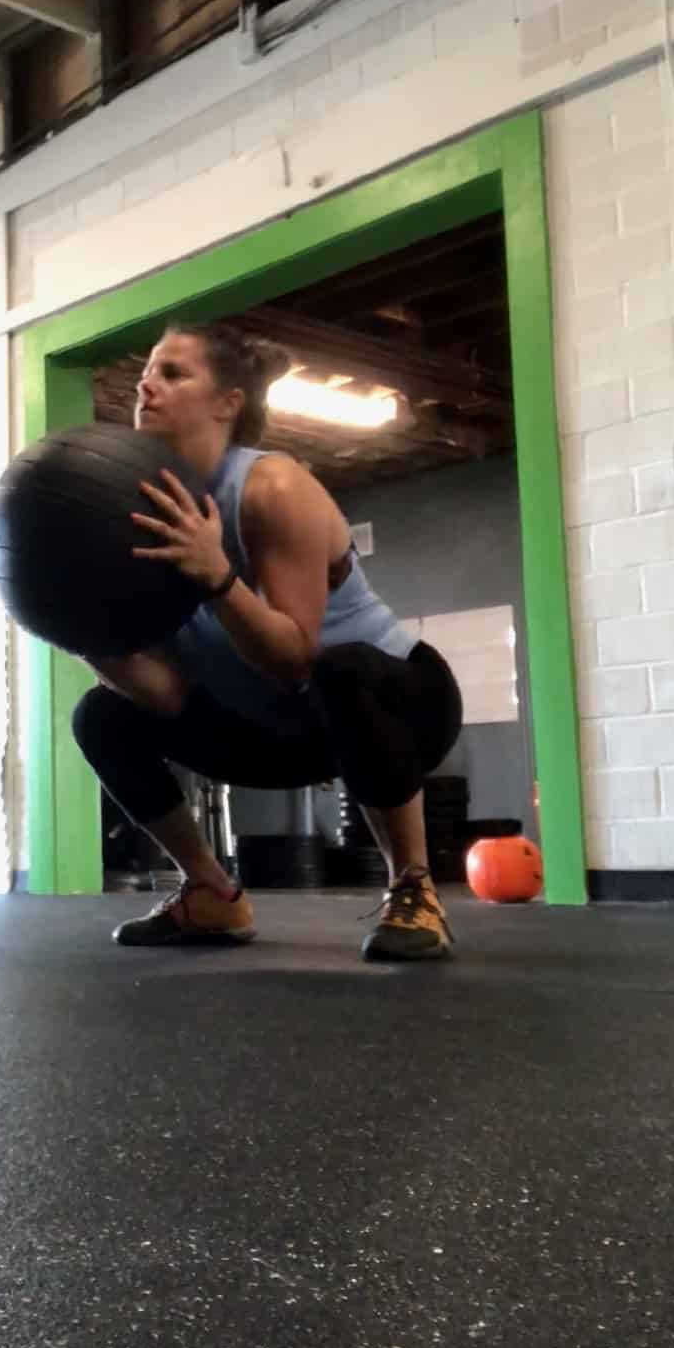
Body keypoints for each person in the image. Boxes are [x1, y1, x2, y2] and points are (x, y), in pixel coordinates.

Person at [72, 324, 464, 960]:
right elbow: (167, 694)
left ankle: (413, 889)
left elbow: (292, 660)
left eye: (173, 373)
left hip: (398, 706)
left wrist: (216, 574)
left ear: (228, 402)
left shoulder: (269, 487)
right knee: (101, 713)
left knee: (341, 673)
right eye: (148, 372)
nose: (146, 384)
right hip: (276, 728)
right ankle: (210, 895)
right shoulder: (136, 509)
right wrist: (77, 627)